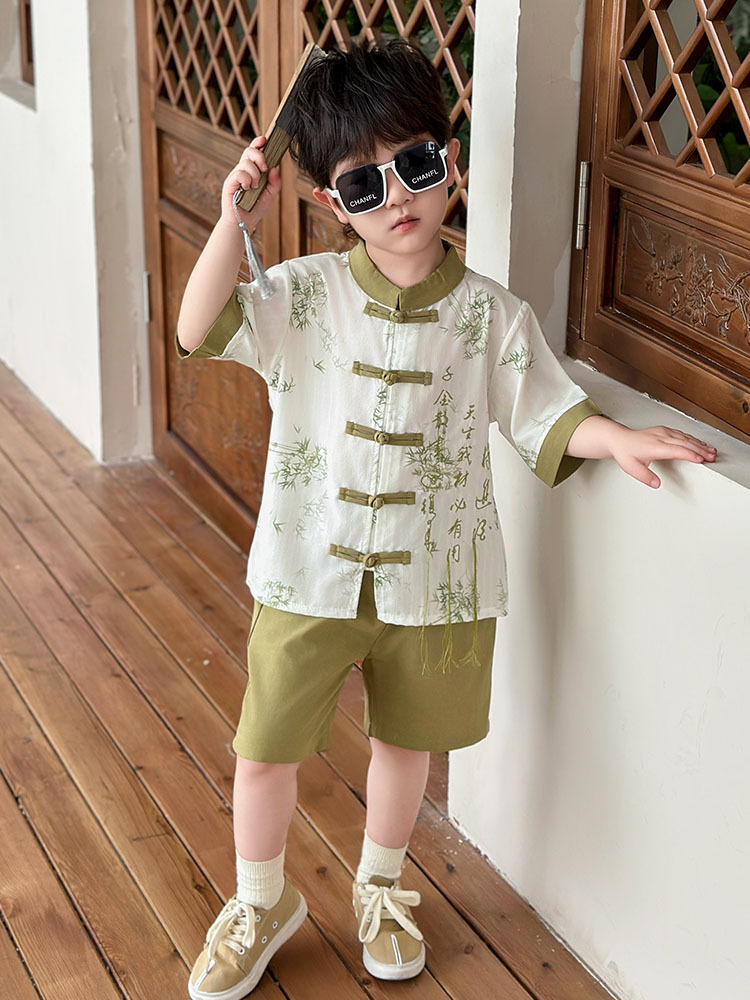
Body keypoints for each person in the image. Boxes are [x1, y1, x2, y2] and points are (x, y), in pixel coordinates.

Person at [175, 37, 717, 1000]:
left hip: (437, 583)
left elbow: (543, 407)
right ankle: (260, 901)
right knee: (263, 749)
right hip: (307, 571)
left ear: (449, 159)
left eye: (415, 164)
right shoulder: (300, 296)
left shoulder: (492, 316)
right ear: (333, 203)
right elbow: (196, 327)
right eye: (363, 184)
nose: (397, 197)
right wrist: (231, 221)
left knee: (405, 748)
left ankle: (381, 890)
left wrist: (618, 439)